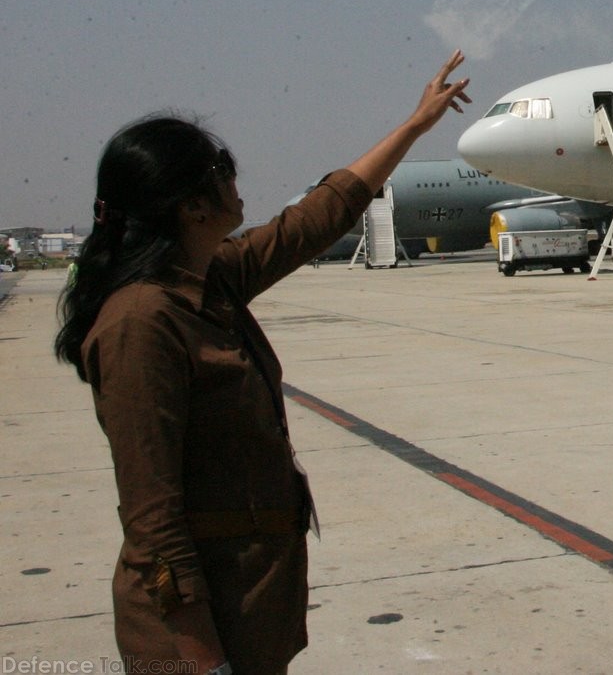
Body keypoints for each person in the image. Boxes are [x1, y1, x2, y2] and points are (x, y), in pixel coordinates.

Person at [54, 53, 471, 675]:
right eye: (224, 174)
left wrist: (414, 126)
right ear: (192, 205)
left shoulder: (207, 279)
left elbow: (318, 217)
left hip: (250, 604)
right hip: (198, 633)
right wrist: (202, 659)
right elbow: (152, 521)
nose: (239, 186)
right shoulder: (141, 324)